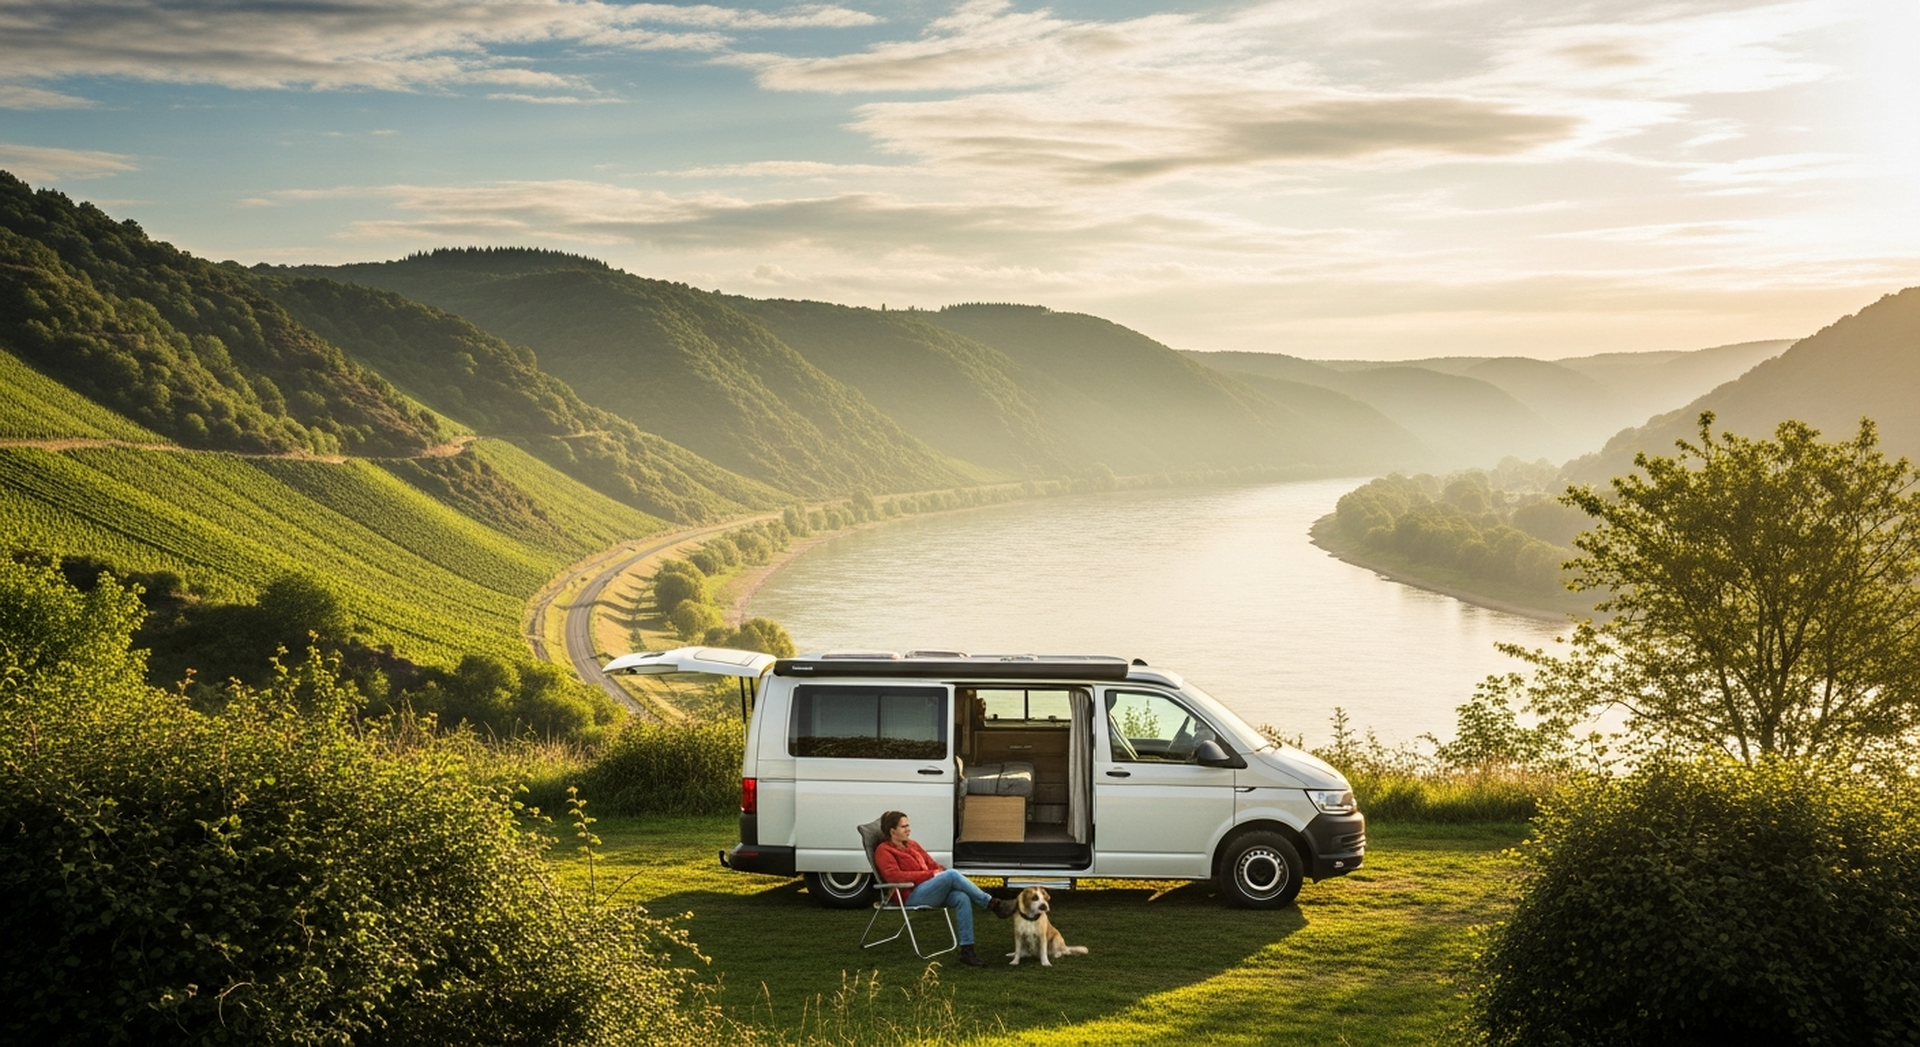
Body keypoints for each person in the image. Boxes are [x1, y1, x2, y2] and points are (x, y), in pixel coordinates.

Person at [872, 809, 1012, 967]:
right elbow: (894, 877)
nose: (908, 829)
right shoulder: (883, 851)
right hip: (909, 896)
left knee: (961, 897)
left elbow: (932, 864)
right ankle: (992, 903)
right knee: (952, 874)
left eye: (908, 825)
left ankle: (967, 952)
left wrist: (938, 871)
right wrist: (932, 875)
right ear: (892, 831)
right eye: (904, 827)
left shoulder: (912, 845)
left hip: (929, 890)